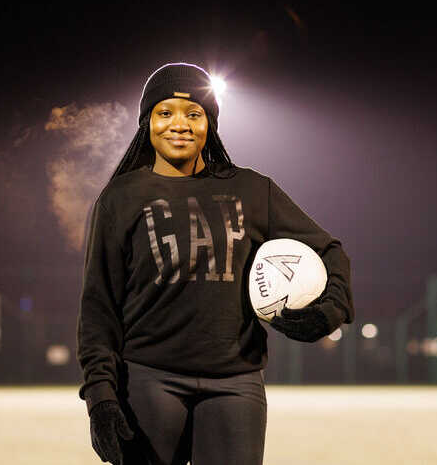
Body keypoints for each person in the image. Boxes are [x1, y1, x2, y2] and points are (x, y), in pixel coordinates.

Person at [76, 62, 354, 465]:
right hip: (148, 380)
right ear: (147, 122)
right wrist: (100, 396)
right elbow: (98, 307)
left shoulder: (252, 190)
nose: (180, 124)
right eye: (164, 112)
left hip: (235, 382)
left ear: (211, 123)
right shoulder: (120, 198)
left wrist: (327, 312)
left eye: (194, 114)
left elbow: (330, 251)